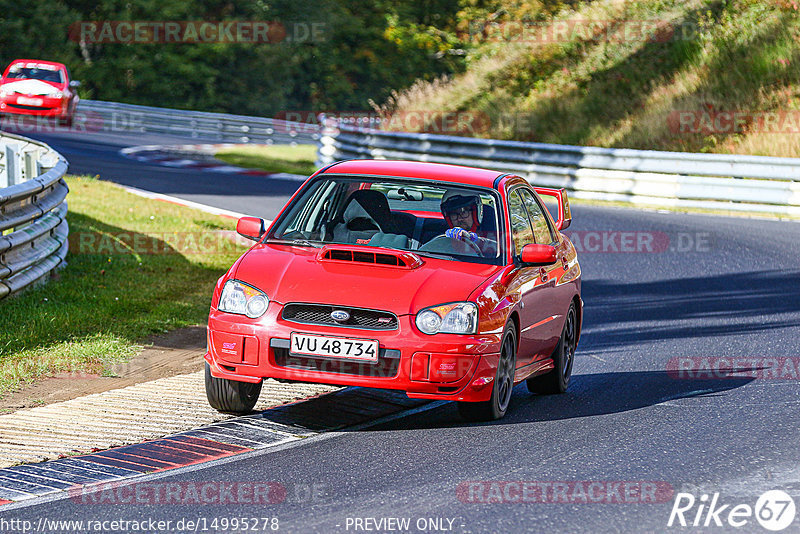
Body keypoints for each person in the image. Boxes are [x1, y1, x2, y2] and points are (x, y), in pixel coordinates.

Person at [440, 190, 497, 257]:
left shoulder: (495, 231)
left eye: (464, 212)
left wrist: (477, 241)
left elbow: (504, 249)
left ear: (476, 213)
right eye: (453, 214)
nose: (459, 219)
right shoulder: (441, 236)